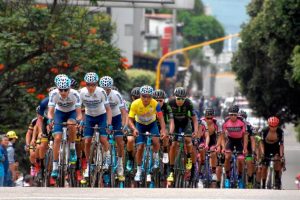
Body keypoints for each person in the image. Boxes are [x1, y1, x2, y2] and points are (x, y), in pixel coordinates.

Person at [128, 85, 167, 181]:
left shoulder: (155, 104)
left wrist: (163, 130)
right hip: (140, 125)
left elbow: (161, 118)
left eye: (149, 96)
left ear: (152, 96)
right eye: (144, 96)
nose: (146, 99)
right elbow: (130, 119)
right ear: (140, 96)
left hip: (151, 124)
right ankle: (139, 170)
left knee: (156, 141)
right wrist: (134, 129)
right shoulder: (135, 104)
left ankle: (155, 156)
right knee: (140, 147)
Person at [47, 74, 82, 178]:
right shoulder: (53, 94)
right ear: (57, 89)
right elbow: (50, 111)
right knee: (57, 138)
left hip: (72, 112)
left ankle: (72, 148)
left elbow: (79, 113)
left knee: (71, 124)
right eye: (60, 90)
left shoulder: (75, 94)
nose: (63, 92)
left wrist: (79, 121)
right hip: (59, 113)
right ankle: (55, 167)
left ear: (69, 88)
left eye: (65, 90)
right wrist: (50, 119)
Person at [79, 72, 112, 179]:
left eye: (93, 85)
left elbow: (108, 109)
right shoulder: (82, 92)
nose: (91, 87)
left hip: (101, 116)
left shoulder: (101, 92)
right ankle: (88, 165)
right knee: (87, 141)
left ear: (96, 84)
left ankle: (107, 157)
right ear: (85, 84)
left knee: (103, 139)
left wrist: (109, 123)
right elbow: (78, 108)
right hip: (89, 117)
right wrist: (80, 120)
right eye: (88, 85)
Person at [167, 87, 199, 182]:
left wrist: (196, 131)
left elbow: (194, 119)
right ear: (174, 97)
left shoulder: (188, 103)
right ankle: (171, 169)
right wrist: (170, 133)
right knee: (173, 145)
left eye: (182, 99)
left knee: (188, 140)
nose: (180, 101)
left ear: (185, 98)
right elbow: (171, 120)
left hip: (186, 123)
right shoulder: (170, 103)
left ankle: (189, 157)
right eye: (178, 98)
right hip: (175, 123)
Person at [99, 76, 128, 181]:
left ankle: (120, 164)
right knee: (100, 139)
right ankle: (100, 159)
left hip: (116, 118)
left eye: (107, 90)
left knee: (120, 142)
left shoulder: (116, 95)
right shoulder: (98, 93)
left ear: (110, 88)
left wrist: (124, 125)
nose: (105, 92)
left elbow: (124, 112)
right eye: (103, 89)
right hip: (103, 117)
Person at [220, 105, 247, 188]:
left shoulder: (242, 122)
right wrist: (223, 147)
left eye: (235, 115)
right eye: (231, 115)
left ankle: (239, 178)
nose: (233, 116)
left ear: (237, 115)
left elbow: (245, 136)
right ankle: (227, 178)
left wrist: (245, 148)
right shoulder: (225, 122)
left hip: (239, 141)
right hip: (230, 141)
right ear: (229, 115)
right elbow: (222, 136)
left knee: (241, 159)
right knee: (227, 157)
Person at [260, 116, 285, 189]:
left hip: (275, 148)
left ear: (277, 125)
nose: (273, 128)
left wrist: (281, 156)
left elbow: (281, 145)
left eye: (275, 126)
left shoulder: (280, 132)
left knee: (277, 160)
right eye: (271, 126)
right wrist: (262, 154)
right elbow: (261, 143)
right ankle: (264, 183)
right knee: (264, 167)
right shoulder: (264, 131)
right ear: (268, 125)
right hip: (266, 148)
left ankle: (277, 178)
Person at [125, 87, 140, 171]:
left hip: (143, 126)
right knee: (130, 140)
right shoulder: (129, 105)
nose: (136, 99)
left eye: (139, 97)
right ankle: (130, 158)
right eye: (135, 97)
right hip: (131, 126)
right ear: (132, 97)